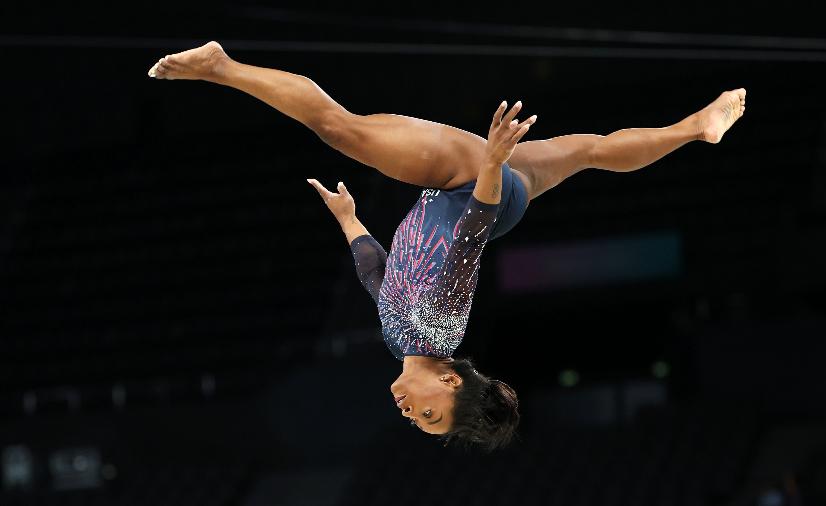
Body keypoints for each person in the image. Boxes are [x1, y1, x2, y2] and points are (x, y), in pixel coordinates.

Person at [148, 41, 746, 451]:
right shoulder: (440, 329)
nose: (411, 413)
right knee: (338, 127)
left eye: (418, 422)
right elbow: (468, 240)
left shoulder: (400, 338)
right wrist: (489, 164)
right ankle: (221, 66)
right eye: (429, 413)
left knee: (590, 150)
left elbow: (375, 278)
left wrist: (349, 220)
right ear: (453, 381)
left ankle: (695, 127)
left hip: (494, 194)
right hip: (469, 187)